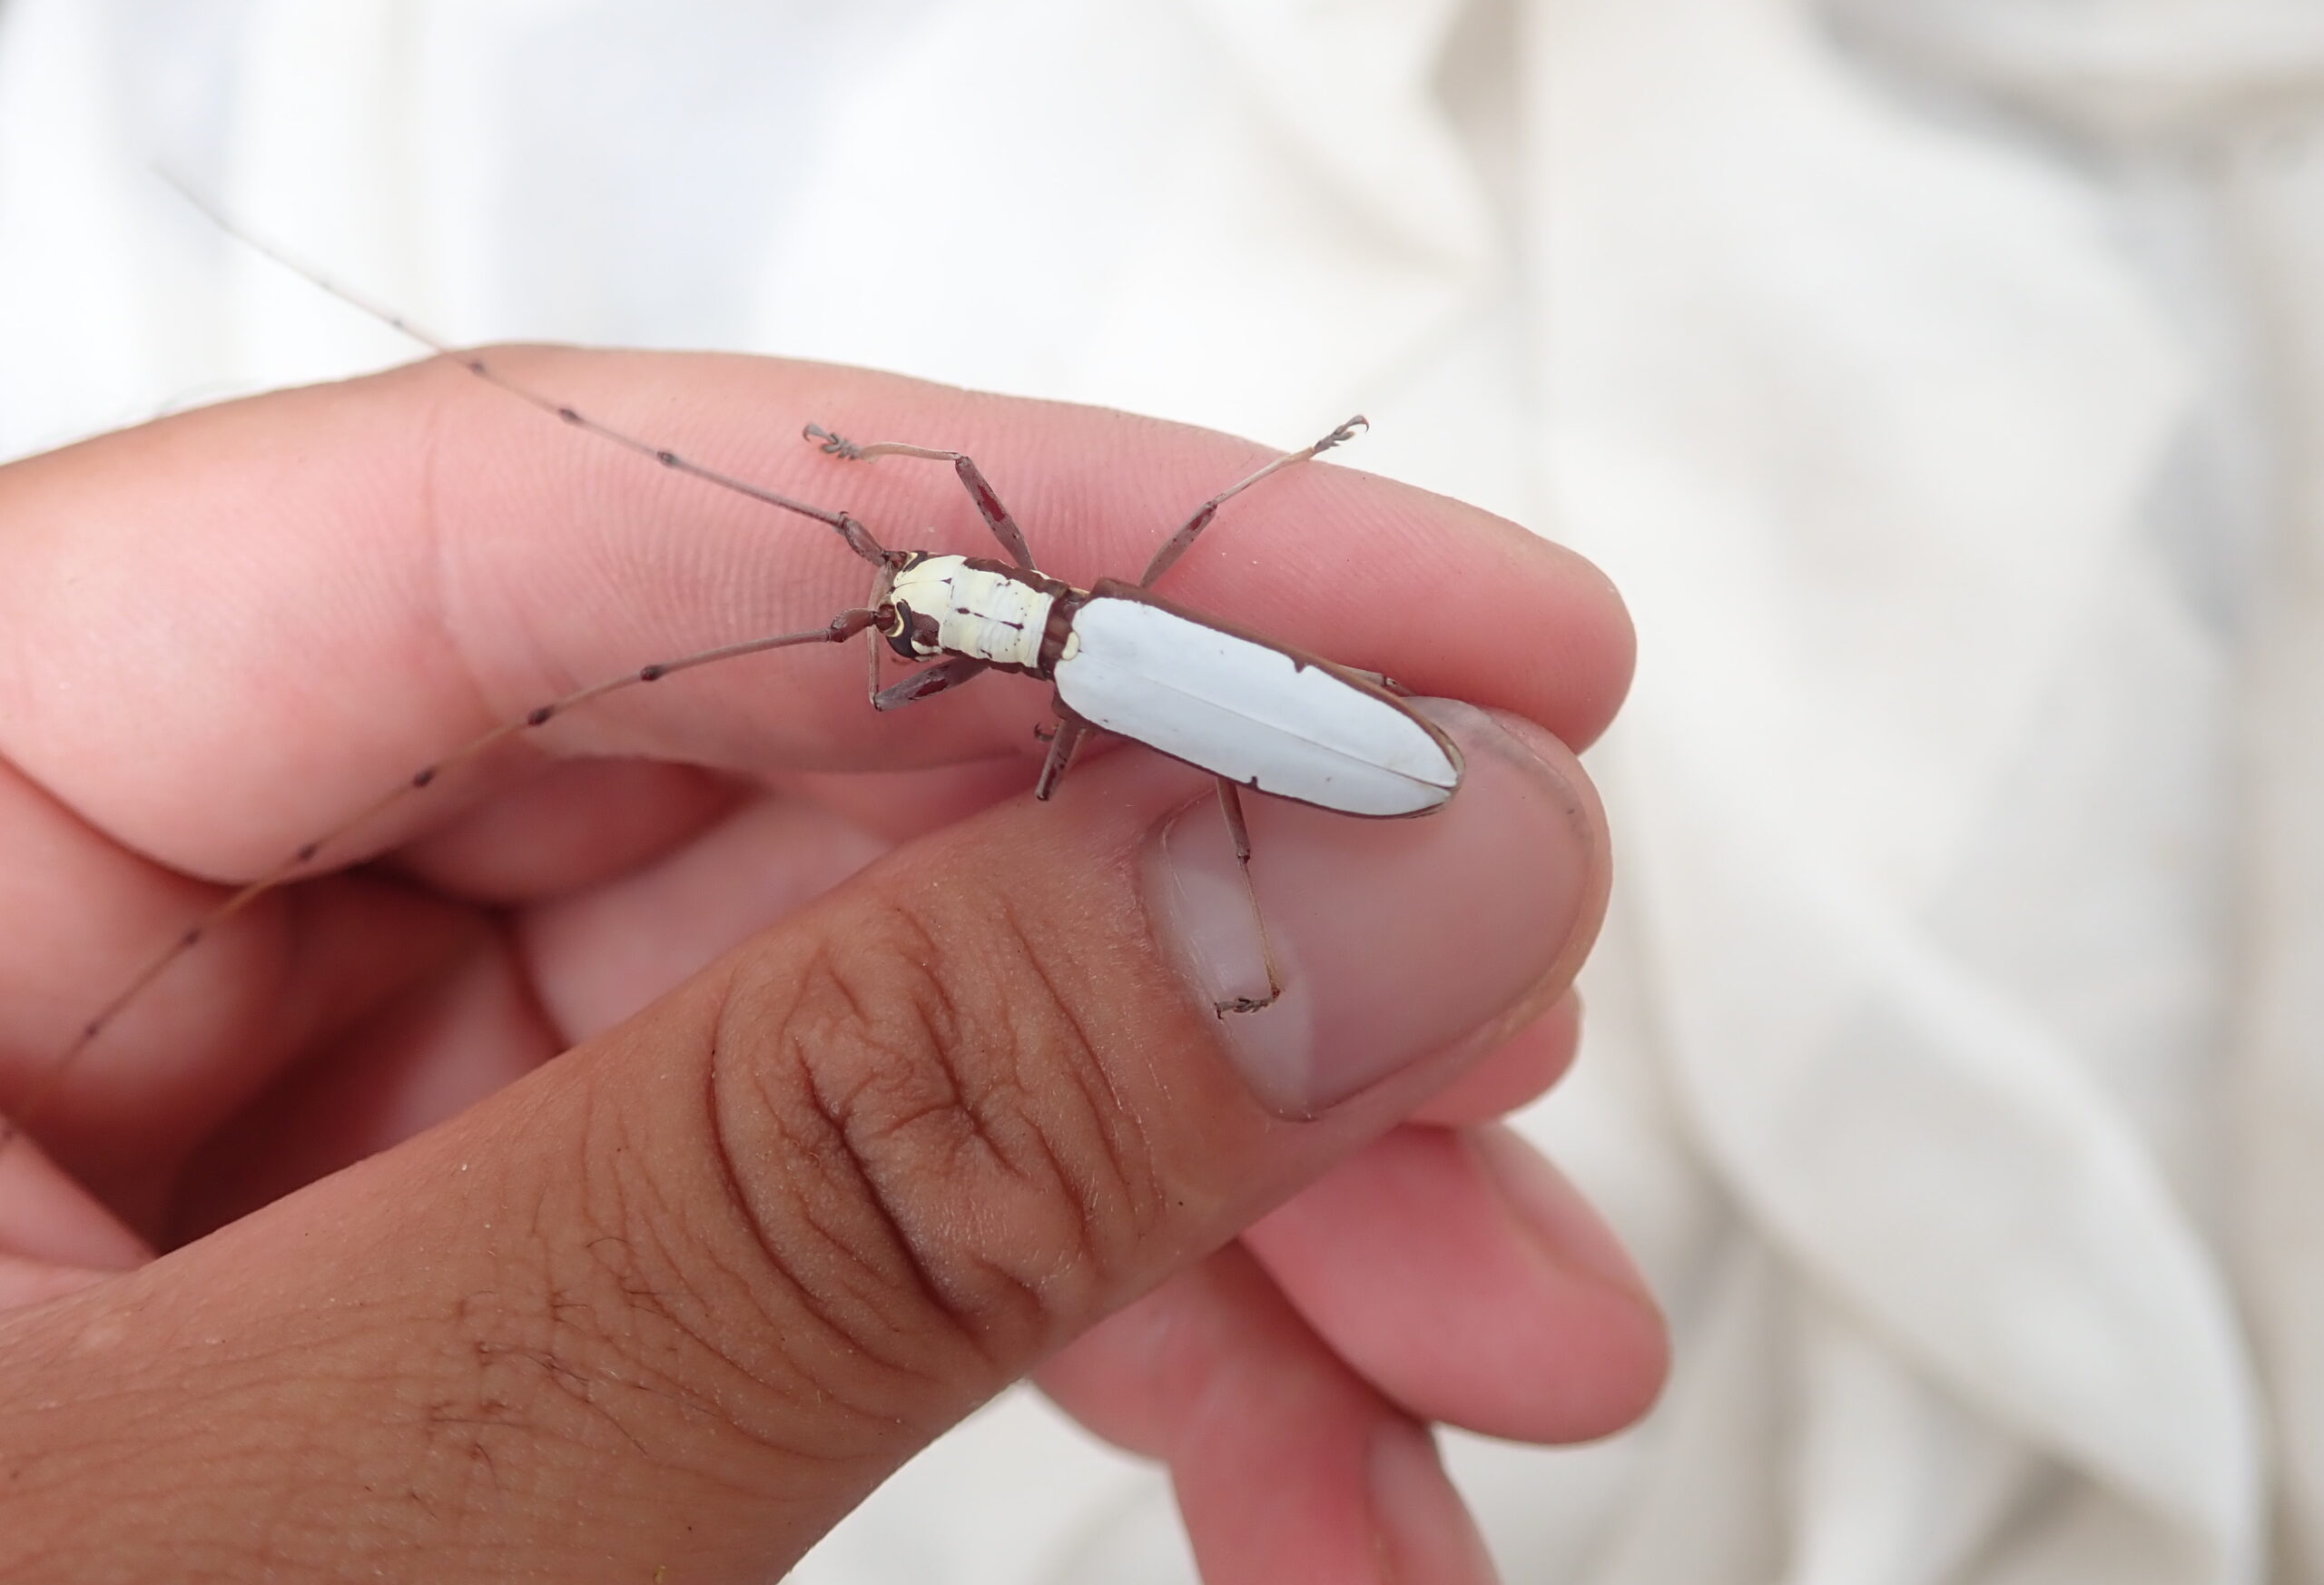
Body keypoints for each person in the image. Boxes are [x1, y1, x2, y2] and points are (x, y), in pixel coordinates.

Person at [0, 348, 1664, 1583]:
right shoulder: (1086, 629)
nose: (917, 616)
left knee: (1209, 789)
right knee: (1214, 792)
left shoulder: (1050, 692)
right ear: (983, 614)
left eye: (929, 606)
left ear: (975, 612)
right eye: (926, 612)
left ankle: (1276, 811)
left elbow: (883, 693)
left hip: (1255, 716)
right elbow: (912, 652)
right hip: (1203, 684)